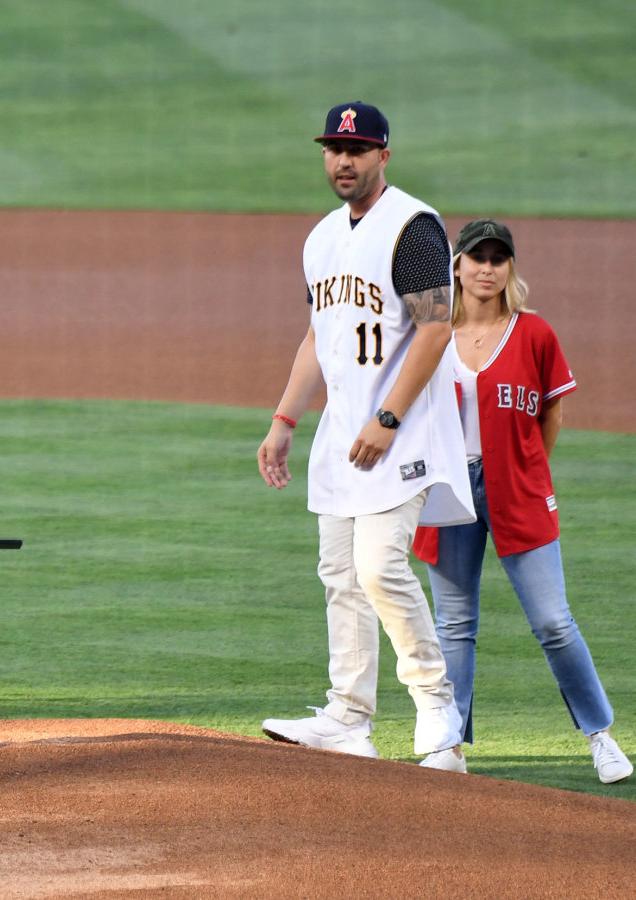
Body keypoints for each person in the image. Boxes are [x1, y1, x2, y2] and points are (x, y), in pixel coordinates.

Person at [256, 102, 474, 771]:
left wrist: (388, 419)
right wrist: (283, 420)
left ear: (384, 154)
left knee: (380, 568)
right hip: (342, 438)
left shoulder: (412, 225)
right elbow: (318, 340)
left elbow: (435, 327)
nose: (343, 161)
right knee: (341, 577)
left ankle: (440, 717)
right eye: (333, 149)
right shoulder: (321, 239)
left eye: (357, 150)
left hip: (400, 435)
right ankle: (348, 718)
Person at [412, 219, 632, 783]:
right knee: (454, 624)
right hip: (447, 489)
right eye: (476, 257)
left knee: (554, 622)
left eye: (497, 257)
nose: (487, 267)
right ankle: (450, 745)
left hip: (519, 488)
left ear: (510, 268)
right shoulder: (431, 332)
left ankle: (600, 736)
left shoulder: (533, 333)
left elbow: (551, 414)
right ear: (456, 266)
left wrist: (527, 469)